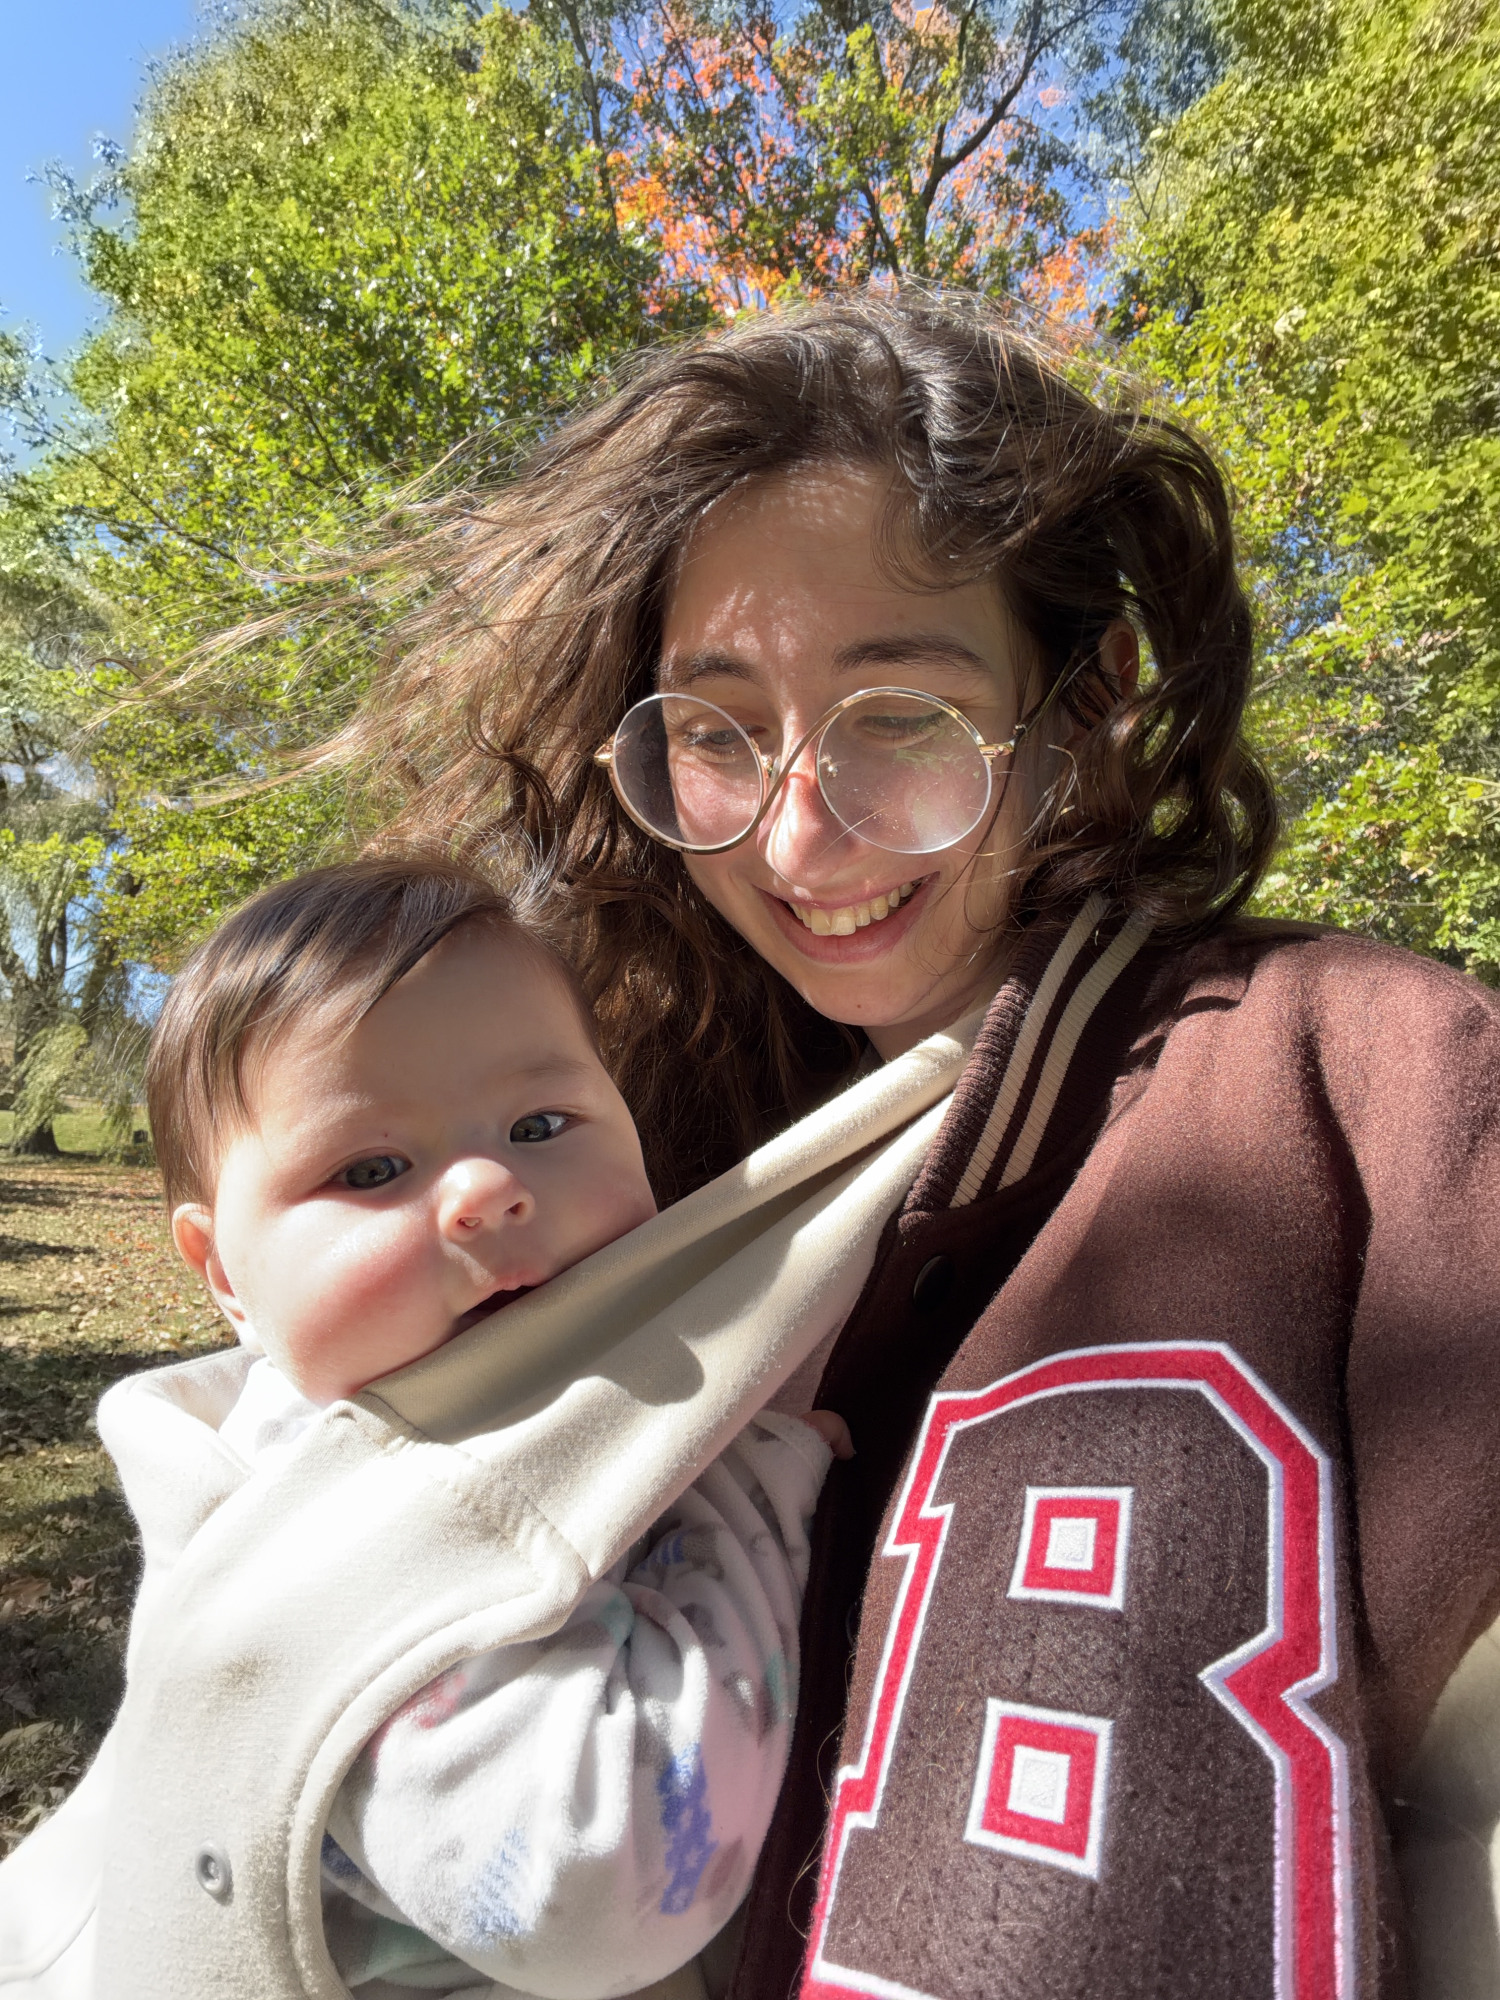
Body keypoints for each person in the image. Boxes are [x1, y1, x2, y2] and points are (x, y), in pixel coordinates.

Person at [313, 293, 1500, 1998]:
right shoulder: (628, 1173)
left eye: (901, 716)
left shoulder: (1382, 1091)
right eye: (716, 731)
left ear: (1081, 706)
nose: (800, 832)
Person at [0, 855, 856, 2000]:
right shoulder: (342, 1537)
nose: (490, 1186)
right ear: (226, 1277)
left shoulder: (488, 1406)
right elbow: (601, 1890)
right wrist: (746, 1478)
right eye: (372, 1167)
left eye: (542, 1119)